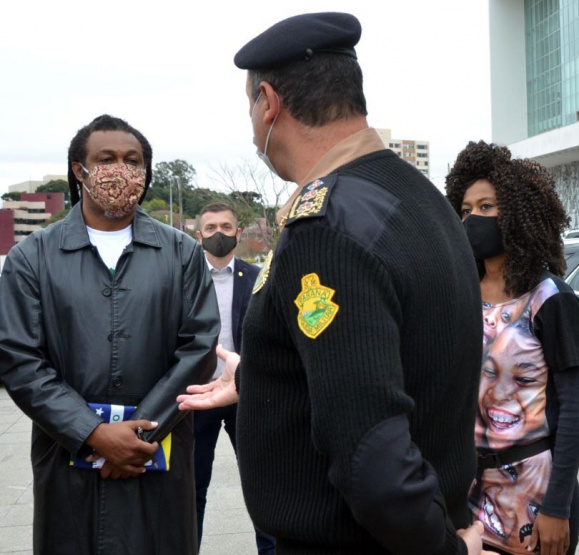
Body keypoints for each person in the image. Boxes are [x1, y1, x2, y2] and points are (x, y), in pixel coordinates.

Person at [177, 12, 489, 555]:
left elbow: (372, 457)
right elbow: (383, 363)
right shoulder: (418, 198)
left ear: (268, 103)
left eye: (250, 107)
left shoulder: (327, 227)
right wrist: (260, 377)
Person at [0, 114, 220, 554]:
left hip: (156, 454)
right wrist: (92, 433)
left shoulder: (181, 253)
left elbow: (199, 348)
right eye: (106, 159)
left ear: (146, 173)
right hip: (68, 456)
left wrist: (140, 437)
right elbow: (19, 359)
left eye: (132, 161)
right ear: (79, 171)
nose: (121, 170)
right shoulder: (32, 257)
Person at [445, 141, 579, 555]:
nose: (473, 218)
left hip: (536, 492)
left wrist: (557, 506)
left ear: (517, 214)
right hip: (469, 494)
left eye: (486, 207)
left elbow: (576, 407)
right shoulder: (460, 293)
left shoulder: (550, 300)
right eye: (465, 209)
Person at [193, 203, 275, 554]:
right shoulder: (184, 277)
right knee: (192, 488)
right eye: (211, 228)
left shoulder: (259, 277)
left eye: (226, 227)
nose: (219, 234)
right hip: (198, 395)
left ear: (238, 234)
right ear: (199, 236)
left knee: (265, 488)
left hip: (247, 394)